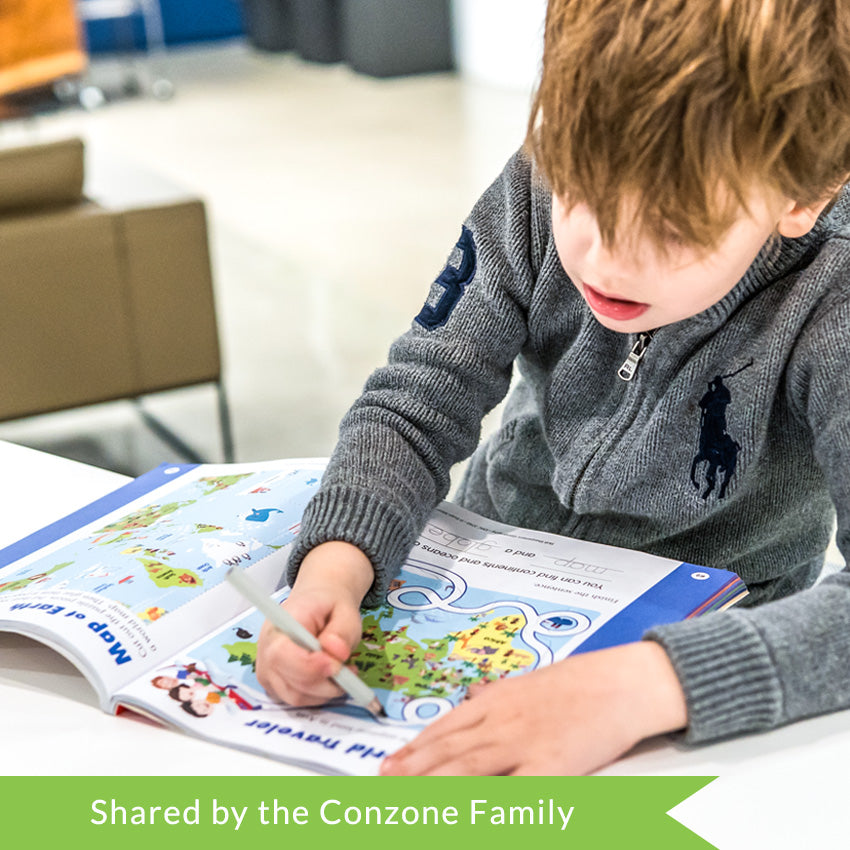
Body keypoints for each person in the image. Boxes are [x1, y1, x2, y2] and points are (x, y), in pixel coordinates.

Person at [256, 0, 850, 775]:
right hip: (481, 579)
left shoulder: (833, 297)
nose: (603, 260)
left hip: (707, 661)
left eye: (671, 227)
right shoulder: (532, 189)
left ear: (805, 196)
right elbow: (416, 401)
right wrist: (335, 563)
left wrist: (651, 685)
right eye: (578, 192)